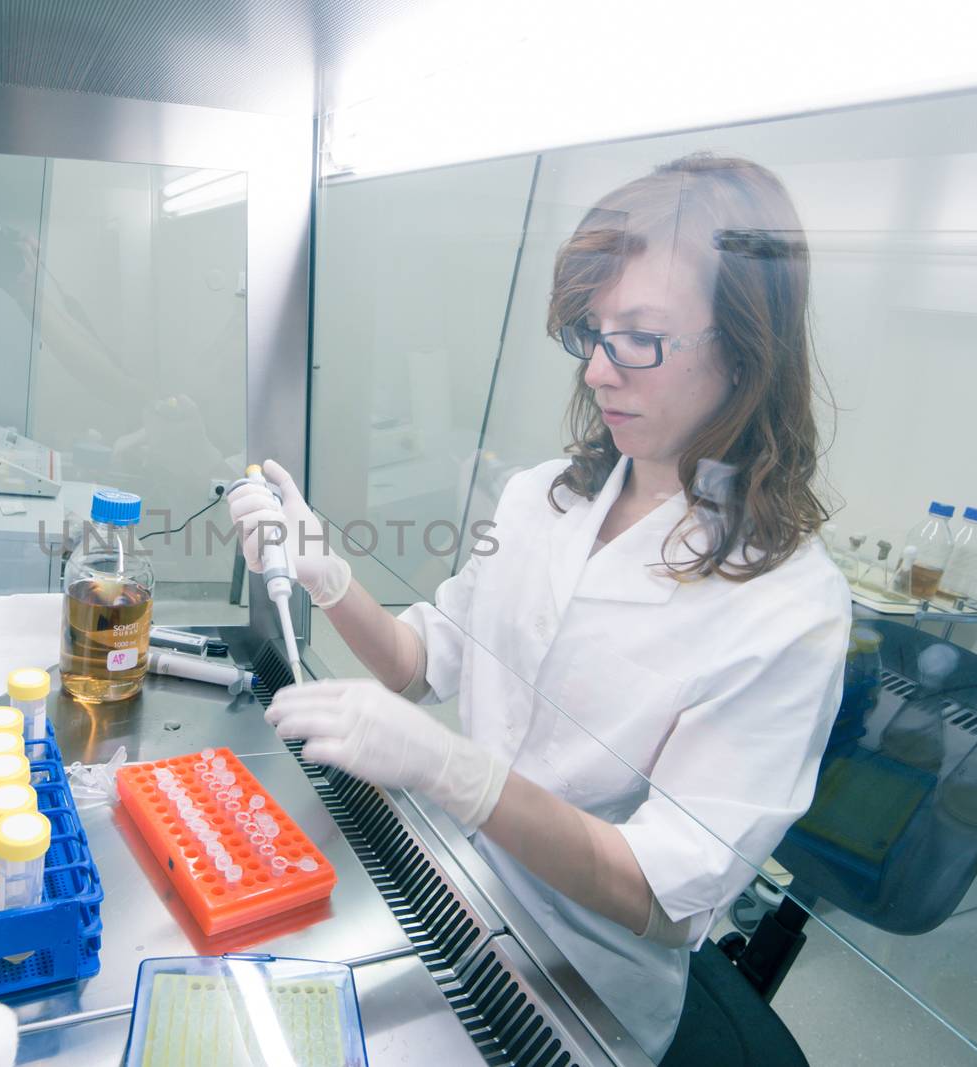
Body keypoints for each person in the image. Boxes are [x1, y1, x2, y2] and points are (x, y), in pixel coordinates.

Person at [229, 154, 851, 1061]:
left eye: (638, 336)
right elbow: (418, 661)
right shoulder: (544, 496)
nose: (599, 371)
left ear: (745, 347)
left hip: (580, 990)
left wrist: (461, 774)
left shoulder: (789, 608)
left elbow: (663, 895)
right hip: (451, 887)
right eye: (591, 333)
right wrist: (324, 567)